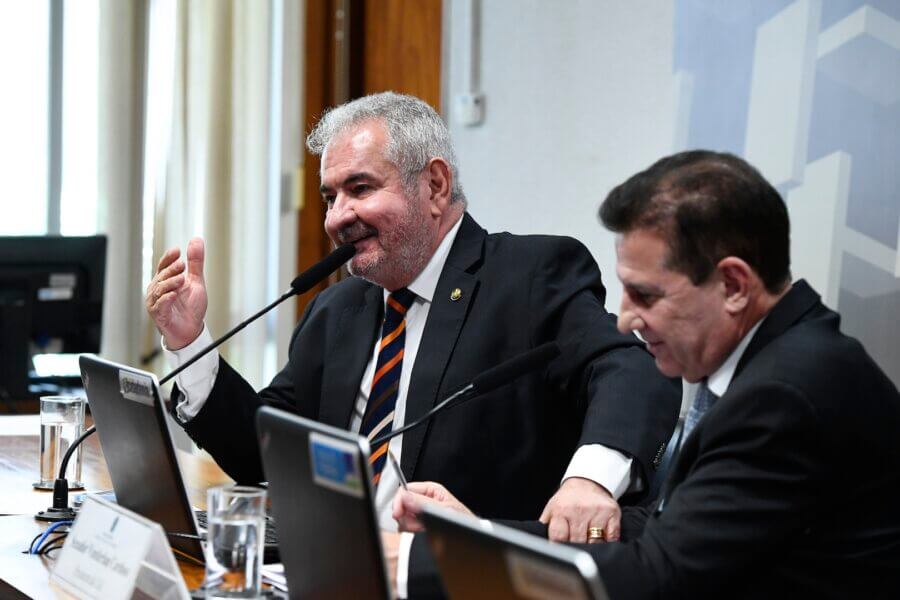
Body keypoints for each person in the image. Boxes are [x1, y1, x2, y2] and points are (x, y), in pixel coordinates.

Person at [145, 92, 679, 594]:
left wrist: (590, 481)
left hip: (453, 583)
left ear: (436, 186)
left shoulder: (529, 276)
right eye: (330, 197)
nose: (336, 218)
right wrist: (191, 342)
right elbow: (264, 452)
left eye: (360, 189)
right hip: (328, 576)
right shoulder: (337, 310)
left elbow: (631, 366)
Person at [394, 150, 900, 598]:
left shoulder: (786, 393)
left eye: (647, 295)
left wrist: (422, 564)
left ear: (733, 284)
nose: (626, 319)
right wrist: (477, 534)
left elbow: (658, 576)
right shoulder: (776, 360)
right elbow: (664, 528)